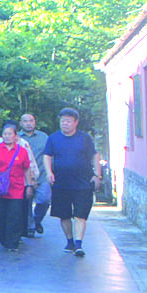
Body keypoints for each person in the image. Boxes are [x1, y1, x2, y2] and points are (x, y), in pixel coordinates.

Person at [43, 107, 101, 257]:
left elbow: (94, 155)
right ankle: (69, 241)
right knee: (64, 215)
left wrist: (97, 174)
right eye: (63, 121)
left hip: (83, 182)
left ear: (76, 122)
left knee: (80, 215)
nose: (65, 124)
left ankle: (79, 244)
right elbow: (47, 156)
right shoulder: (53, 138)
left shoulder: (84, 138)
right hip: (61, 182)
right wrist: (49, 172)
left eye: (68, 121)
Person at [0, 121, 32, 252]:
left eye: (10, 134)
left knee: (15, 216)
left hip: (16, 189)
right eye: (5, 134)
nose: (7, 136)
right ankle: (3, 239)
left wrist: (29, 185)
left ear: (15, 136)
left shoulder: (22, 151)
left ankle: (12, 243)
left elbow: (27, 169)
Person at [18, 112, 52, 238]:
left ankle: (37, 220)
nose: (28, 124)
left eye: (31, 121)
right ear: (21, 123)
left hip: (42, 176)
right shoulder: (16, 138)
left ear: (35, 122)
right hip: (24, 177)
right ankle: (30, 227)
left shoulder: (44, 137)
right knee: (26, 203)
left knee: (44, 200)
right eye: (25, 121)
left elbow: (50, 155)